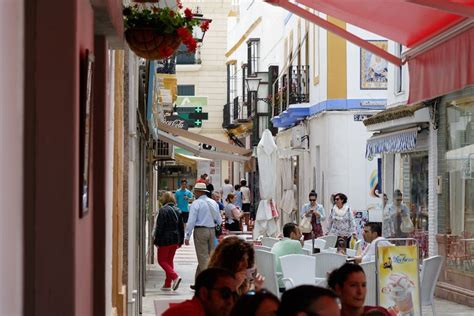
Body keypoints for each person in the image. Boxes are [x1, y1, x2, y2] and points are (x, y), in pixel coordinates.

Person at [185, 182, 222, 286]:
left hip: (200, 231)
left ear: (198, 192)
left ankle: (209, 282)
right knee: (210, 256)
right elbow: (219, 220)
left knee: (203, 257)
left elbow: (191, 221)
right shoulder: (213, 202)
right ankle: (198, 282)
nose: (194, 193)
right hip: (212, 231)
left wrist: (187, 235)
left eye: (195, 191)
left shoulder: (196, 204)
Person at [162, 267, 239, 316]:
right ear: (204, 294)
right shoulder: (189, 312)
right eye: (225, 293)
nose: (230, 301)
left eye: (234, 295)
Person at [153, 191, 184, 291]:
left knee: (161, 260)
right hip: (175, 239)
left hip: (165, 240)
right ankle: (167, 284)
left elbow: (159, 227)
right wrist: (181, 241)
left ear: (164, 199)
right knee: (169, 261)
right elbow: (181, 227)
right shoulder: (178, 210)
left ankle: (175, 277)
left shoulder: (163, 210)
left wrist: (156, 240)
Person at [271, 223, 304, 291]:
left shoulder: (275, 244)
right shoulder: (296, 243)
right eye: (298, 233)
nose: (301, 235)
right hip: (288, 283)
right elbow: (301, 265)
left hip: (274, 283)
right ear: (292, 234)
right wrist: (301, 246)